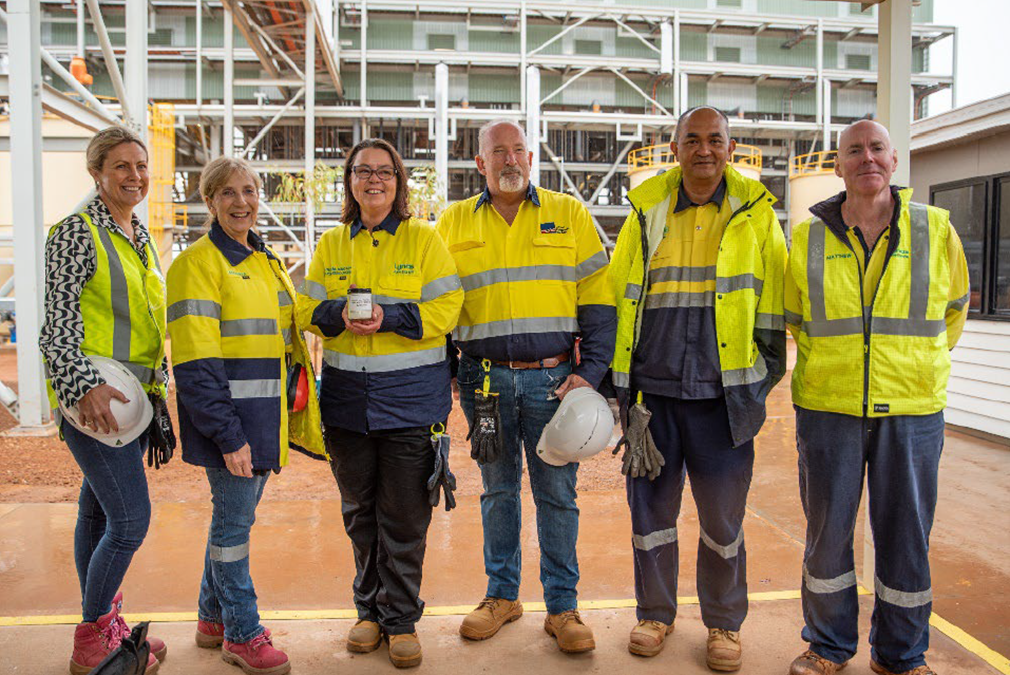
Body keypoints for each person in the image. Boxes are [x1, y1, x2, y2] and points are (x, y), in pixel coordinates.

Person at [784, 120, 969, 675]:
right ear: (837, 167)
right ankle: (828, 645)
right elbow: (795, 320)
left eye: (877, 148)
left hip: (912, 410)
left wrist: (907, 368)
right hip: (828, 407)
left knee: (906, 537)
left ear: (893, 161)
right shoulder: (807, 237)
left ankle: (901, 655)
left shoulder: (935, 230)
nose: (867, 157)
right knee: (827, 537)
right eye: (853, 151)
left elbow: (953, 312)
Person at [608, 106, 787, 671]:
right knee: (651, 518)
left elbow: (775, 312)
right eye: (692, 140)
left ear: (730, 149)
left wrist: (752, 388)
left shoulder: (756, 217)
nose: (704, 149)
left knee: (722, 523)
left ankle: (724, 625)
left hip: (722, 403)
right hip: (653, 401)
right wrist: (623, 391)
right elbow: (620, 297)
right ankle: (655, 614)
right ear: (676, 149)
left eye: (715, 140)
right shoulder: (646, 213)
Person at [436, 119, 616, 653]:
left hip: (554, 382)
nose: (510, 159)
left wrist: (590, 374)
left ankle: (563, 607)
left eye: (519, 150)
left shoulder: (569, 214)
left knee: (557, 494)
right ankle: (502, 595)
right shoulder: (451, 223)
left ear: (531, 159)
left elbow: (599, 304)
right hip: (483, 382)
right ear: (480, 164)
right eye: (498, 152)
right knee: (497, 491)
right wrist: (447, 372)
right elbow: (440, 307)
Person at [295, 138, 463, 668]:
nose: (374, 180)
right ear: (349, 180)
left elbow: (448, 307)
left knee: (406, 515)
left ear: (399, 181)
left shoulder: (424, 240)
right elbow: (305, 305)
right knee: (359, 513)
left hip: (411, 404)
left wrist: (390, 318)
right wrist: (333, 315)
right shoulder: (331, 245)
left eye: (385, 172)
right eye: (363, 171)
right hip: (347, 404)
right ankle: (368, 612)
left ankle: (402, 619)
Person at [166, 155, 326, 675]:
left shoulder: (264, 260)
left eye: (250, 191)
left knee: (233, 521)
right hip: (231, 425)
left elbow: (291, 327)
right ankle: (242, 632)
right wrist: (227, 436)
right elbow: (195, 363)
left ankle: (212, 618)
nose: (242, 202)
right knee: (233, 530)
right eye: (229, 193)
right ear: (209, 201)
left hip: (264, 423)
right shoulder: (196, 266)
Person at [40, 125, 169, 675]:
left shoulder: (136, 234)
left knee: (96, 513)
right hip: (96, 401)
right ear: (96, 172)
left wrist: (159, 387)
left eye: (140, 165)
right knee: (130, 521)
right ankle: (93, 638)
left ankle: (105, 620)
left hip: (131, 401)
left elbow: (143, 321)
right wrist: (81, 387)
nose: (134, 176)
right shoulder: (76, 232)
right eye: (121, 166)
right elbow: (57, 325)